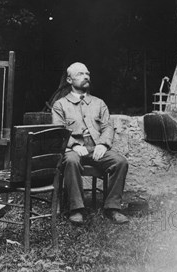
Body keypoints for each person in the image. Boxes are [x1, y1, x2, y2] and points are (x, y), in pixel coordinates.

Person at [52, 62, 129, 225]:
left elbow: (108, 126)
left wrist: (103, 144)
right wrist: (73, 145)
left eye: (87, 73)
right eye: (80, 74)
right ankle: (77, 209)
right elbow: (58, 129)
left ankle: (112, 208)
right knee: (71, 161)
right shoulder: (60, 105)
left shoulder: (99, 103)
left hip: (96, 150)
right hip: (73, 150)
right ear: (69, 80)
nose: (86, 76)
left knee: (120, 162)